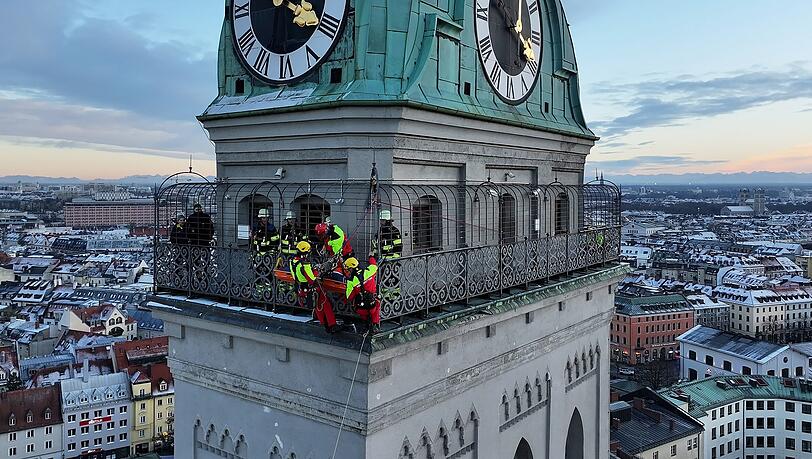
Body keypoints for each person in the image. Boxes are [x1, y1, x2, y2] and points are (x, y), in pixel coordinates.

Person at [290, 241, 342, 333]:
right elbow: (312, 279)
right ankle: (332, 325)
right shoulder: (304, 264)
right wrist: (317, 271)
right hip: (312, 287)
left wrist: (313, 268)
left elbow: (297, 275)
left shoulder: (293, 261)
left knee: (317, 305)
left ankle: (323, 321)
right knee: (325, 304)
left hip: (301, 287)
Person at [344, 256, 381, 333]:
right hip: (372, 306)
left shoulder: (351, 281)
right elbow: (374, 265)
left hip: (361, 309)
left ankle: (366, 324)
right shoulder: (369, 271)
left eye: (348, 269)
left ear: (351, 269)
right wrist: (371, 257)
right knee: (377, 302)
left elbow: (349, 297)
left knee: (359, 306)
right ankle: (375, 324)